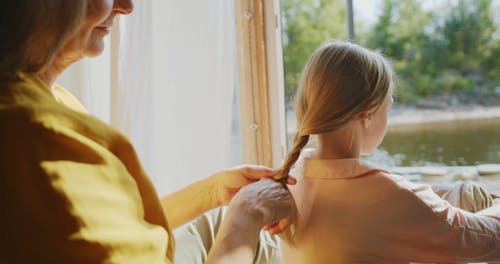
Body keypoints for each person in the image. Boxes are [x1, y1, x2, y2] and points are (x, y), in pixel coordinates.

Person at [0, 0, 295, 263]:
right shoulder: (41, 140)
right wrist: (247, 217)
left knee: (219, 218)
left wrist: (213, 192)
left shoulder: (53, 104)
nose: (126, 6)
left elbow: (111, 227)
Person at [274, 41, 500, 263]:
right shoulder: (385, 193)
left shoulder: (294, 178)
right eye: (387, 108)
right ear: (367, 113)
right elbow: (488, 239)